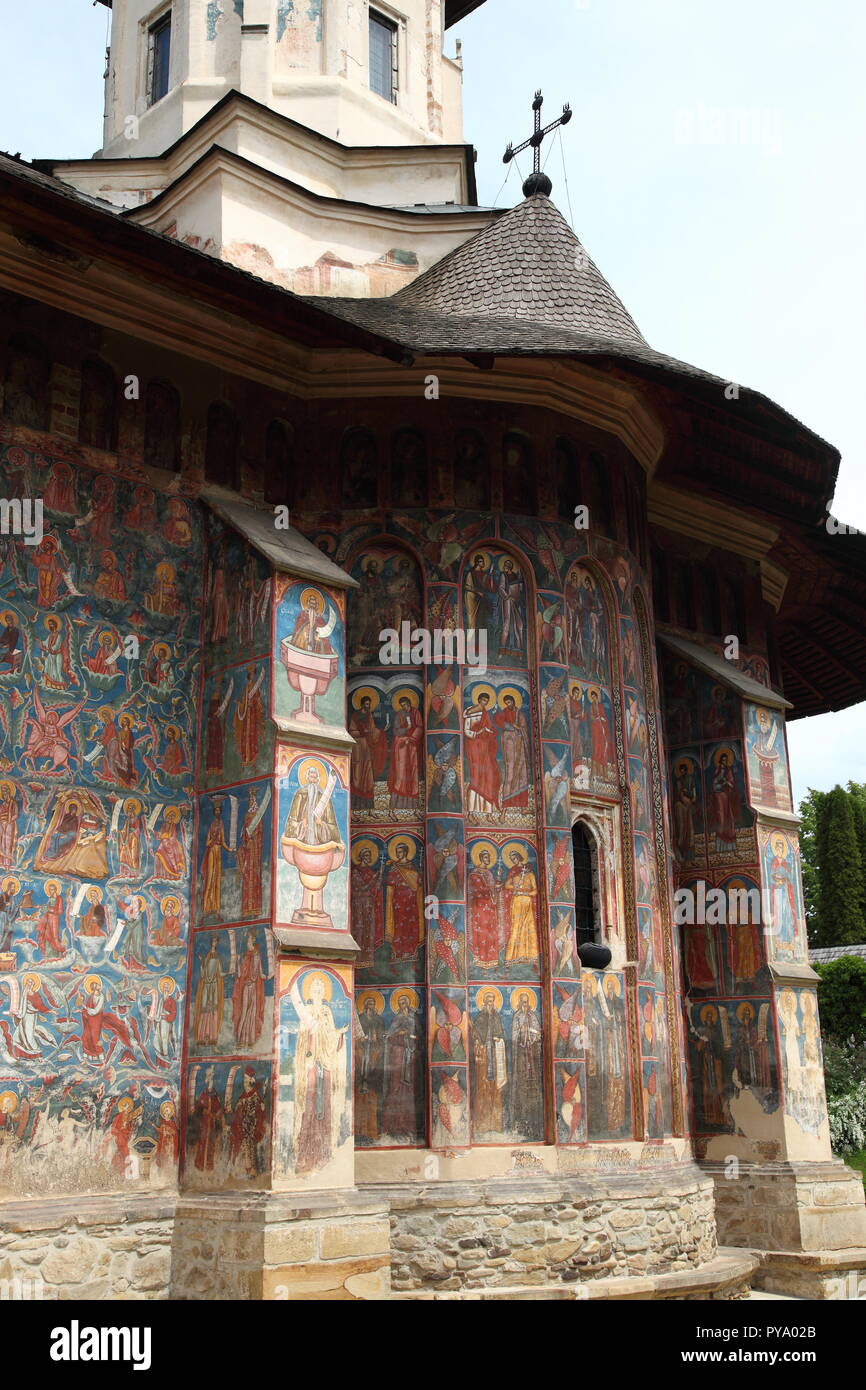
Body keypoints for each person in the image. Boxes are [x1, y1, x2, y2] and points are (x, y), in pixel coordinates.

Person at [472, 992, 506, 1134]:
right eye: (488, 1000)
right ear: (484, 1002)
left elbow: (502, 1034)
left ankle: (495, 1125)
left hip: (495, 1055)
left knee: (495, 1089)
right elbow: (475, 1034)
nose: (490, 1003)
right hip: (484, 1056)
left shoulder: (497, 1017)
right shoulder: (480, 1016)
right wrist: (479, 1042)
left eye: (492, 1001)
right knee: (482, 1088)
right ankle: (481, 1125)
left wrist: (499, 1039)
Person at [233, 931, 265, 1049]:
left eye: (248, 940)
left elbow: (260, 972)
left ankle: (249, 1040)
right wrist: (237, 962)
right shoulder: (247, 955)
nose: (247, 943)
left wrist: (265, 975)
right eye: (247, 940)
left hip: (253, 987)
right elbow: (241, 974)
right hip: (247, 987)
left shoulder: (256, 954)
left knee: (252, 1012)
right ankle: (240, 1039)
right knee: (244, 1011)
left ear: (252, 940)